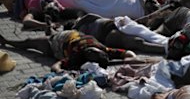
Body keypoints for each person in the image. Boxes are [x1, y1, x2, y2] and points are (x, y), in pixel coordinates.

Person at [0, 29, 136, 71]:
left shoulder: (102, 50)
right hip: (64, 36)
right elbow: (127, 53)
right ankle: (8, 41)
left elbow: (55, 66)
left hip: (53, 45)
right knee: (29, 42)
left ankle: (7, 42)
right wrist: (131, 58)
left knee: (30, 43)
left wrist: (131, 59)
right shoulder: (100, 50)